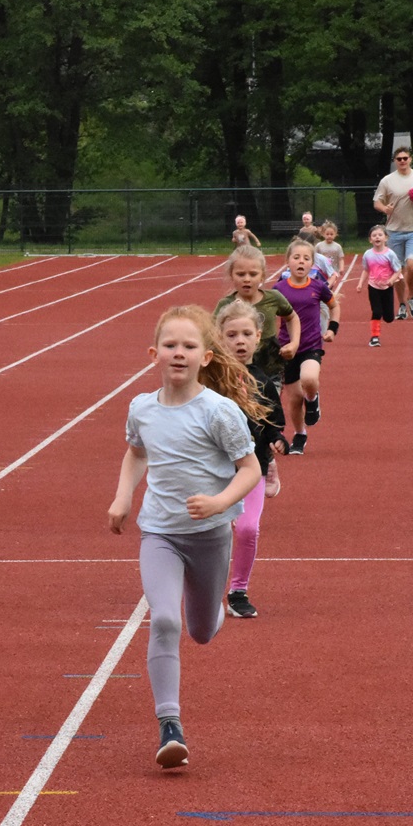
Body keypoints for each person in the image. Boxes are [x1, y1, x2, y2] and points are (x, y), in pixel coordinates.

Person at [108, 305, 264, 769]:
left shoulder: (219, 411)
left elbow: (250, 469)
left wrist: (219, 503)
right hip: (160, 532)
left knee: (200, 631)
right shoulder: (142, 408)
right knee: (164, 621)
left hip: (210, 535)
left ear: (206, 357)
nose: (179, 353)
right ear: (154, 353)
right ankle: (170, 726)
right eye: (171, 345)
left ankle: (213, 607)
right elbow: (135, 453)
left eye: (189, 346)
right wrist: (123, 498)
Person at [215, 301, 288, 619]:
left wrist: (277, 438)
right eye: (232, 335)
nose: (240, 341)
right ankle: (203, 586)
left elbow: (274, 420)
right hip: (214, 471)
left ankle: (238, 591)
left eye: (247, 334)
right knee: (211, 534)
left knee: (247, 529)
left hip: (252, 467)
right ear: (219, 338)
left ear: (258, 337)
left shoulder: (263, 382)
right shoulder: (209, 381)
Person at [213, 244, 297, 497]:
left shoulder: (274, 298)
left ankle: (266, 461)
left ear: (263, 275)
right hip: (236, 370)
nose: (247, 279)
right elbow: (212, 333)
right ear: (231, 275)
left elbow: (292, 317)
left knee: (264, 414)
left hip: (269, 367)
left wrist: (294, 343)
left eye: (252, 274)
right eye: (240, 274)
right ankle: (247, 463)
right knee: (242, 417)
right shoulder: (225, 305)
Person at [273, 238, 340, 455]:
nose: (301, 262)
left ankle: (312, 399)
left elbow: (334, 306)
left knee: (309, 379)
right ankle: (300, 434)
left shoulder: (318, 287)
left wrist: (332, 329)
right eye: (296, 257)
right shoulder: (279, 289)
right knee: (294, 399)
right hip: (287, 349)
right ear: (287, 262)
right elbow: (268, 313)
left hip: (311, 345)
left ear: (312, 263)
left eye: (306, 258)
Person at [372, 146, 413, 320]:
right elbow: (377, 202)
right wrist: (385, 209)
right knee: (397, 271)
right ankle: (402, 304)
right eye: (399, 159)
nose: (403, 161)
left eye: (405, 158)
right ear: (395, 161)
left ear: (410, 159)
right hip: (394, 231)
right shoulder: (387, 180)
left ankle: (411, 296)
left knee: (412, 266)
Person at [356, 225, 402, 347]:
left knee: (389, 318)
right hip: (373, 286)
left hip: (387, 287)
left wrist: (391, 280)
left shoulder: (390, 254)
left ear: (386, 238)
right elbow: (366, 270)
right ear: (370, 239)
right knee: (376, 311)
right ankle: (374, 337)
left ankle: (385, 317)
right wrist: (360, 284)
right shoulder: (368, 254)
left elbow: (398, 270)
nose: (377, 237)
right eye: (374, 235)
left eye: (380, 235)